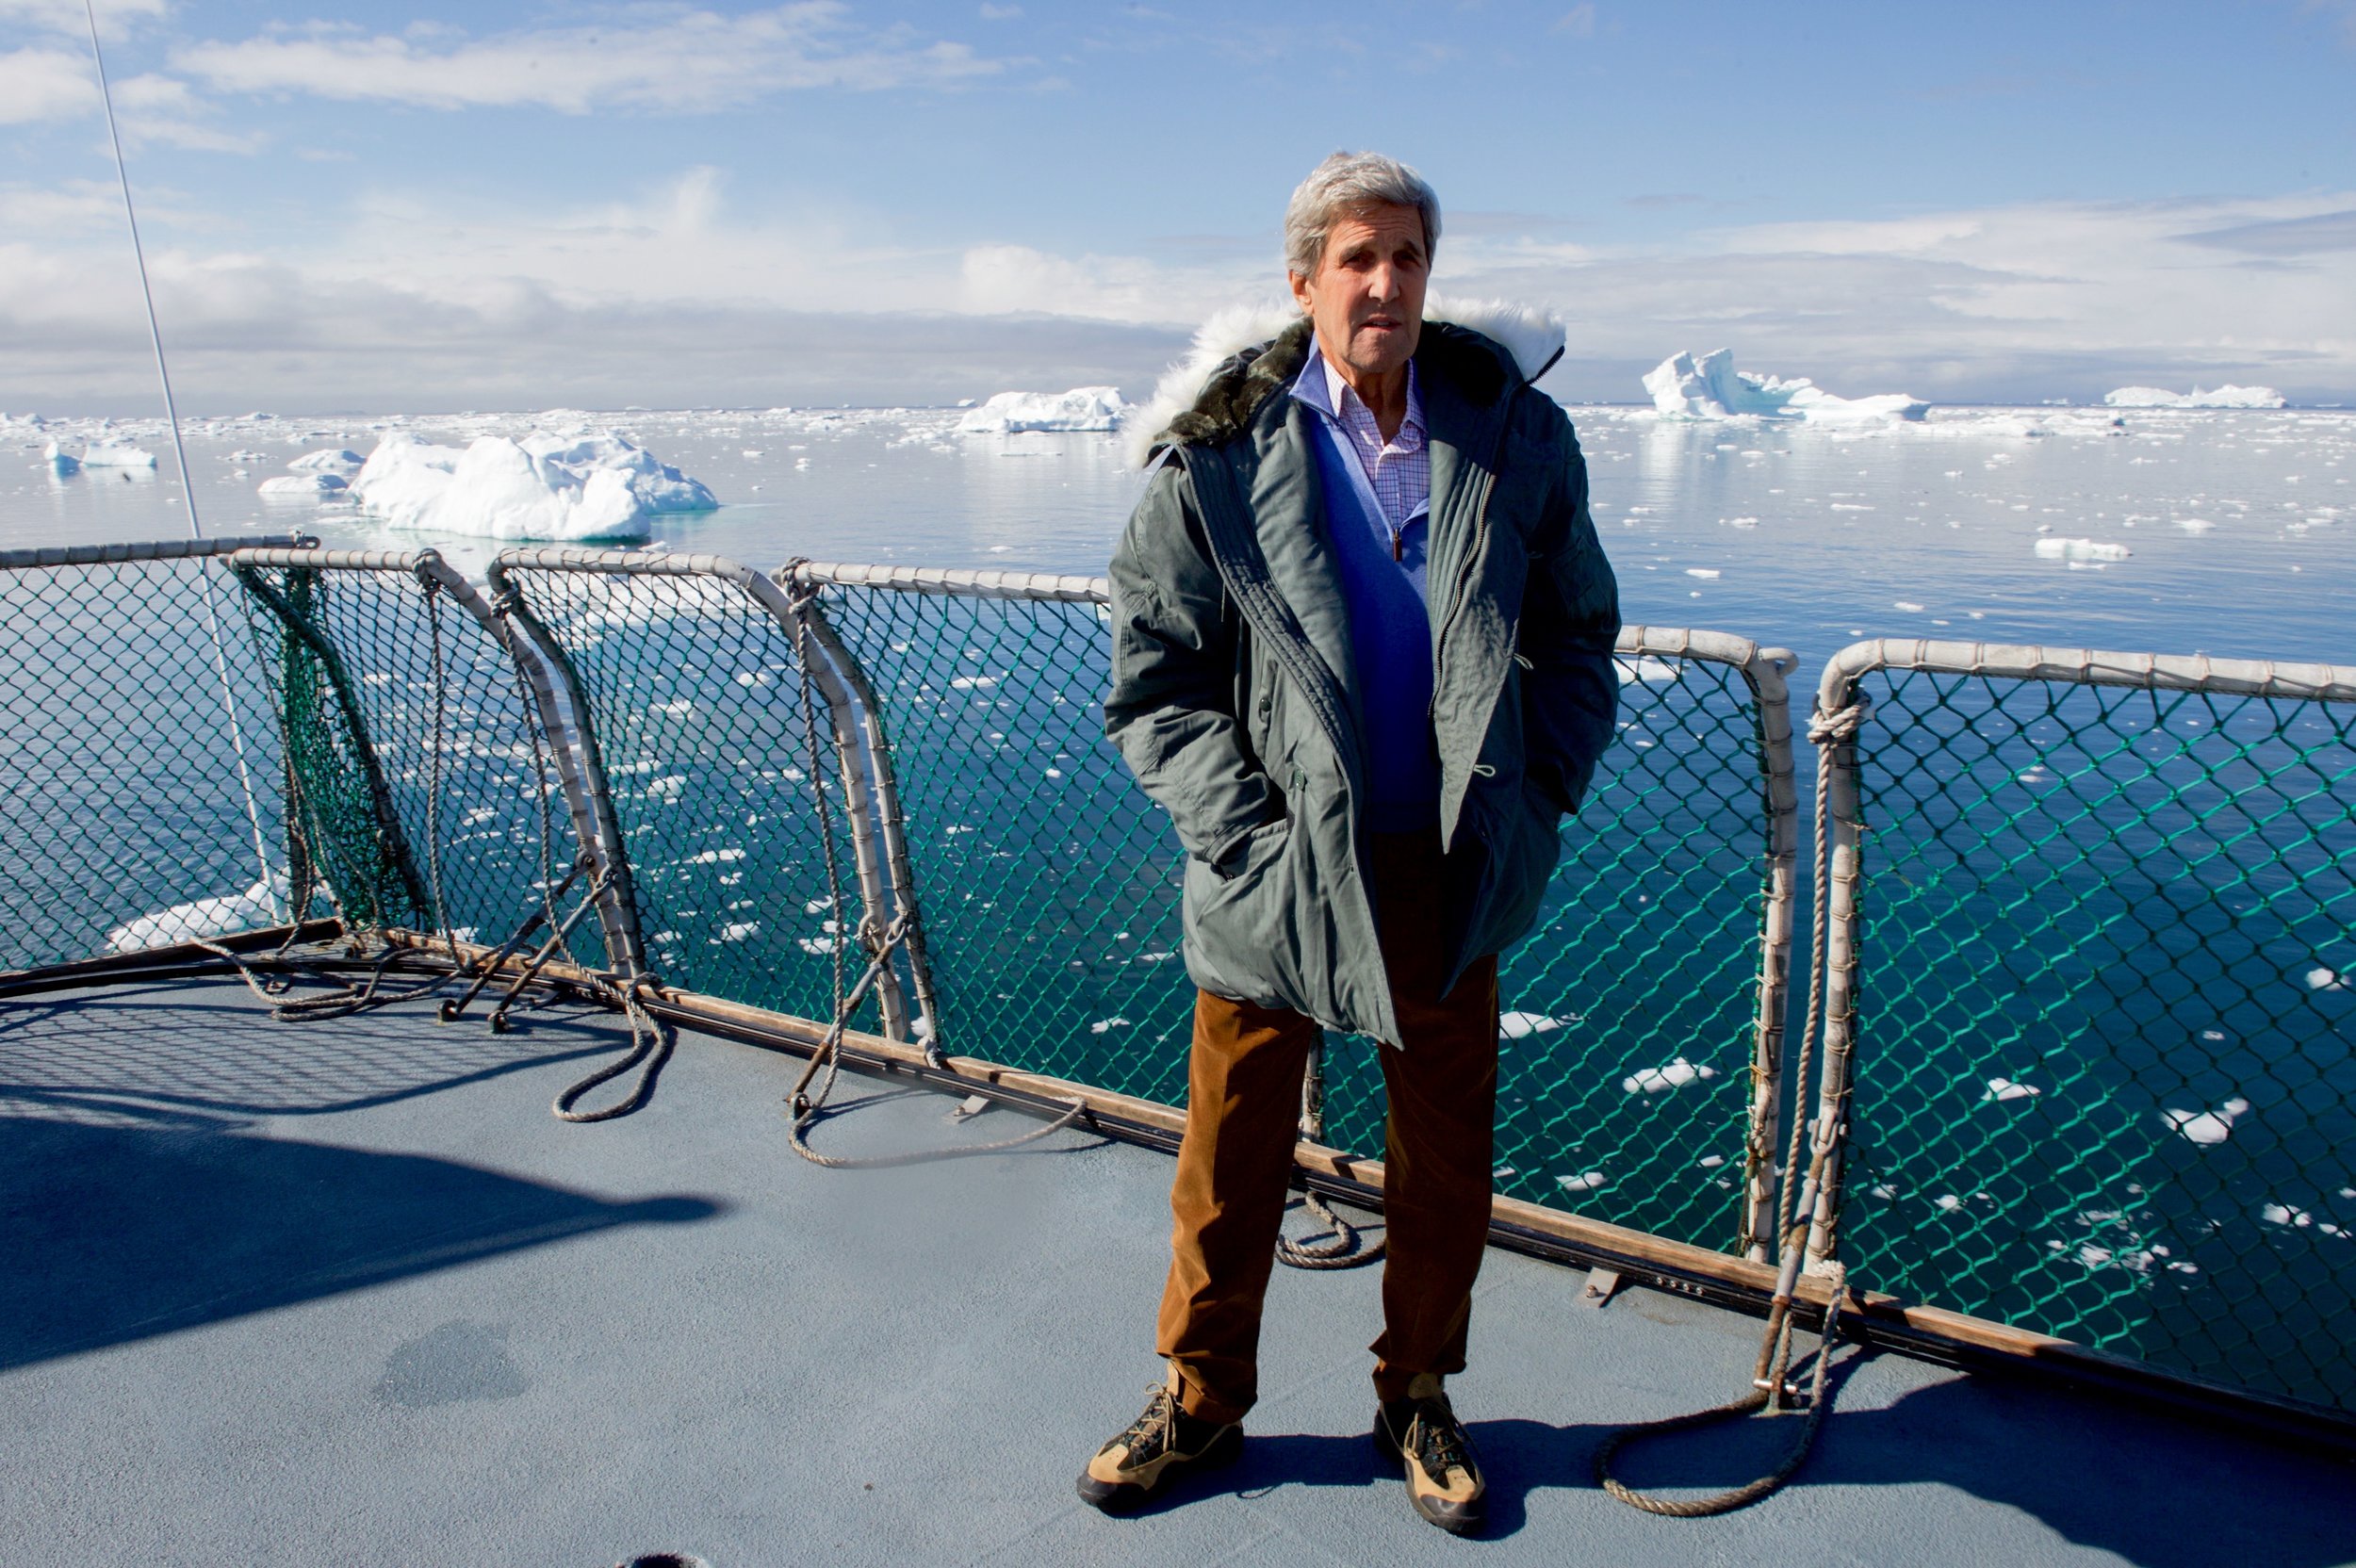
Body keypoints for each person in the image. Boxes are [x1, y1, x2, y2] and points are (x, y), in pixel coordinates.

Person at [1080, 151, 1622, 1535]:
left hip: (1449, 859)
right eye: (1358, 258)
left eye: (1408, 258)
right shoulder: (1219, 452)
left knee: (1446, 1158)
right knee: (1233, 1153)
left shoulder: (1509, 435)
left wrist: (1537, 785)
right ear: (1305, 279)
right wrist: (1244, 832)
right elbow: (1158, 680)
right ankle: (1198, 1399)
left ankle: (1420, 1392)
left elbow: (1576, 633)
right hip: (1276, 864)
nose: (1385, 283)